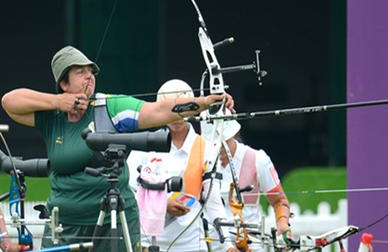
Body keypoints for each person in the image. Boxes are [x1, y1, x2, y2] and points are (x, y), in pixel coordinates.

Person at [1, 46, 234, 251]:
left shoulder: (109, 106)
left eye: (91, 72)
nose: (89, 77)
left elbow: (159, 111)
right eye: (80, 72)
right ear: (63, 82)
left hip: (113, 218)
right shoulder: (51, 117)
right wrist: (58, 102)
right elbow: (9, 102)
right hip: (64, 222)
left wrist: (205, 102)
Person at [127, 79, 238, 252]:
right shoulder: (144, 145)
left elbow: (213, 203)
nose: (177, 116)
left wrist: (228, 246)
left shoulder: (205, 148)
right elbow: (127, 193)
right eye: (171, 110)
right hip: (148, 243)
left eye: (183, 109)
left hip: (191, 244)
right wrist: (162, 205)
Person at [201, 117, 292, 252]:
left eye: (223, 140)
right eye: (213, 142)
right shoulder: (199, 161)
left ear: (233, 134)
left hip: (250, 245)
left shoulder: (257, 159)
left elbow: (279, 201)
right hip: (210, 245)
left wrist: (282, 223)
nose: (219, 146)